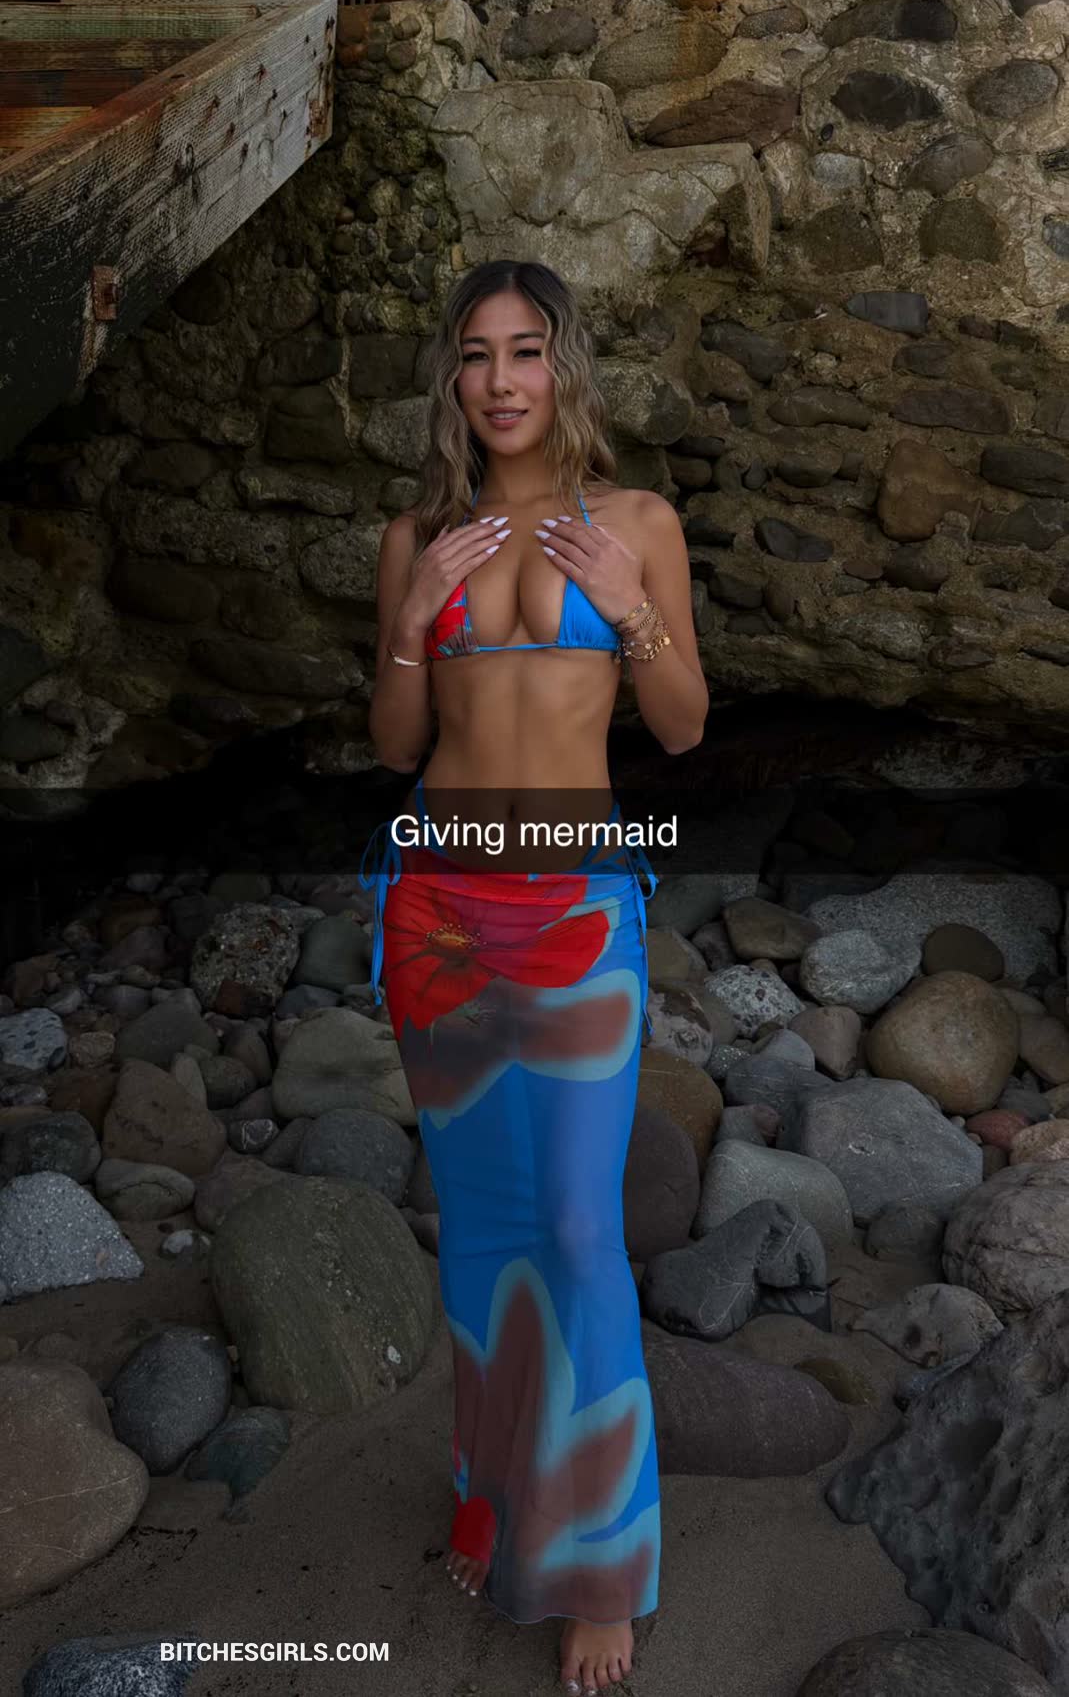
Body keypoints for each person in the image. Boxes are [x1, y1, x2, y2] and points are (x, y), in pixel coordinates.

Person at [357, 259, 708, 1695]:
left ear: (564, 368)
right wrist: (408, 624)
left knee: (573, 1225)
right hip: (440, 909)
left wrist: (629, 610)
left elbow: (680, 726)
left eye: (524, 352)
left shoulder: (635, 524)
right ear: (452, 378)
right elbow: (394, 743)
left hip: (573, 908)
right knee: (487, 1231)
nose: (499, 381)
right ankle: (494, 1499)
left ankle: (602, 1568)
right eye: (475, 355)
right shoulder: (418, 537)